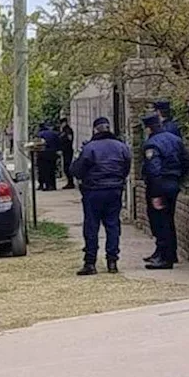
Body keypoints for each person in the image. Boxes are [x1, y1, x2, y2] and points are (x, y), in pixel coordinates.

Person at [69, 117, 131, 275]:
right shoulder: (121, 147)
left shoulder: (90, 148)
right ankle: (112, 261)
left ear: (95, 130)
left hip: (93, 191)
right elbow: (126, 167)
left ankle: (90, 262)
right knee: (113, 225)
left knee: (91, 226)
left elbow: (76, 170)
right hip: (114, 190)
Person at [140, 112, 189, 269]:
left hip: (159, 187)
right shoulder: (175, 139)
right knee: (168, 220)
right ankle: (168, 252)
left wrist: (156, 193)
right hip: (173, 184)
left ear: (149, 128)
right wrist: (178, 178)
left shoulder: (152, 144)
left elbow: (154, 170)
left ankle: (164, 258)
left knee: (160, 221)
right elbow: (187, 161)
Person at [36, 123, 61, 191]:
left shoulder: (40, 134)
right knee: (52, 170)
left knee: (44, 171)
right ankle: (53, 185)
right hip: (53, 155)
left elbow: (38, 145)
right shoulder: (54, 134)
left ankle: (46, 186)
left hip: (43, 155)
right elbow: (59, 144)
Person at [59, 119, 77, 190]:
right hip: (66, 150)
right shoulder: (64, 130)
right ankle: (69, 182)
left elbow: (69, 139)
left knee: (67, 167)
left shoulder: (67, 130)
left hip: (68, 150)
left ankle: (70, 183)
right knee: (66, 166)